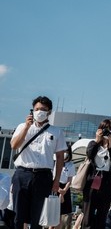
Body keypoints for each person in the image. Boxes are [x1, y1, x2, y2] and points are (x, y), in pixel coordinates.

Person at [11, 96, 67, 229]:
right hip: (22, 173)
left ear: (49, 112)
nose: (39, 112)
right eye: (36, 109)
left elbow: (60, 157)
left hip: (43, 176)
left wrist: (56, 180)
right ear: (32, 111)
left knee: (37, 216)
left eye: (43, 109)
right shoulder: (22, 126)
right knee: (18, 215)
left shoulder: (56, 131)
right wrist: (26, 127)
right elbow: (14, 145)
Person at [82, 119, 111, 229]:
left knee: (102, 215)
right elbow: (90, 155)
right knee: (87, 216)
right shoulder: (93, 144)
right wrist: (97, 140)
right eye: (105, 129)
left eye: (110, 129)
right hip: (92, 181)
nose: (107, 132)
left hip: (107, 183)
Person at [51, 145, 77, 229]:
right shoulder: (54, 162)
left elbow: (70, 180)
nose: (65, 153)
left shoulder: (71, 165)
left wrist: (64, 190)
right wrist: (58, 190)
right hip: (54, 187)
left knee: (61, 214)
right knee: (53, 213)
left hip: (65, 188)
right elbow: (52, 177)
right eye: (63, 151)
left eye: (66, 152)